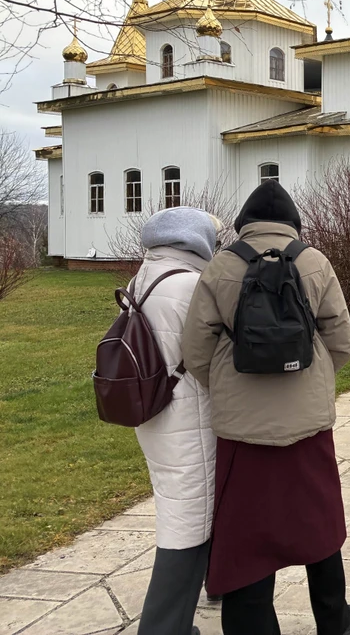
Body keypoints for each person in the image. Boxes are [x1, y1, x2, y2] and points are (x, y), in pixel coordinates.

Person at [182, 181, 350, 635]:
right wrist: (313, 379)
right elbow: (342, 341)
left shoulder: (221, 266)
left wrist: (225, 386)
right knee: (319, 526)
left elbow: (196, 349)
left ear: (243, 225)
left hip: (242, 432)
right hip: (308, 426)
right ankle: (335, 620)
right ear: (292, 223)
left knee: (246, 539)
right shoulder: (313, 261)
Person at [128, 207, 218, 635]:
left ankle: (206, 594)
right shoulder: (190, 284)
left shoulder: (143, 277)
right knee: (188, 522)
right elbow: (209, 357)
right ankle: (163, 628)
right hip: (188, 414)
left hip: (153, 410)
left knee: (182, 508)